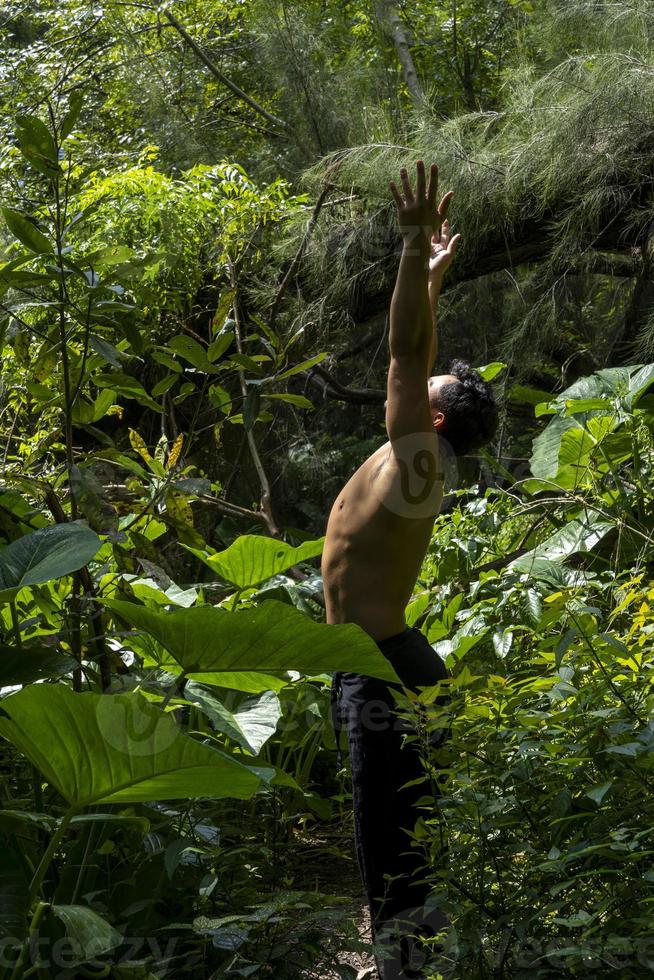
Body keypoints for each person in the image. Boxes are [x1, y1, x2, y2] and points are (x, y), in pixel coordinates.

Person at [323, 161, 498, 978]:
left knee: (385, 827)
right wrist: (431, 276)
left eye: (423, 388)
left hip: (383, 672)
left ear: (431, 416)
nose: (413, 378)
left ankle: (401, 969)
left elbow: (404, 351)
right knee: (396, 823)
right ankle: (411, 961)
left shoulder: (418, 460)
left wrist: (406, 250)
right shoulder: (420, 460)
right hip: (383, 664)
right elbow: (414, 350)